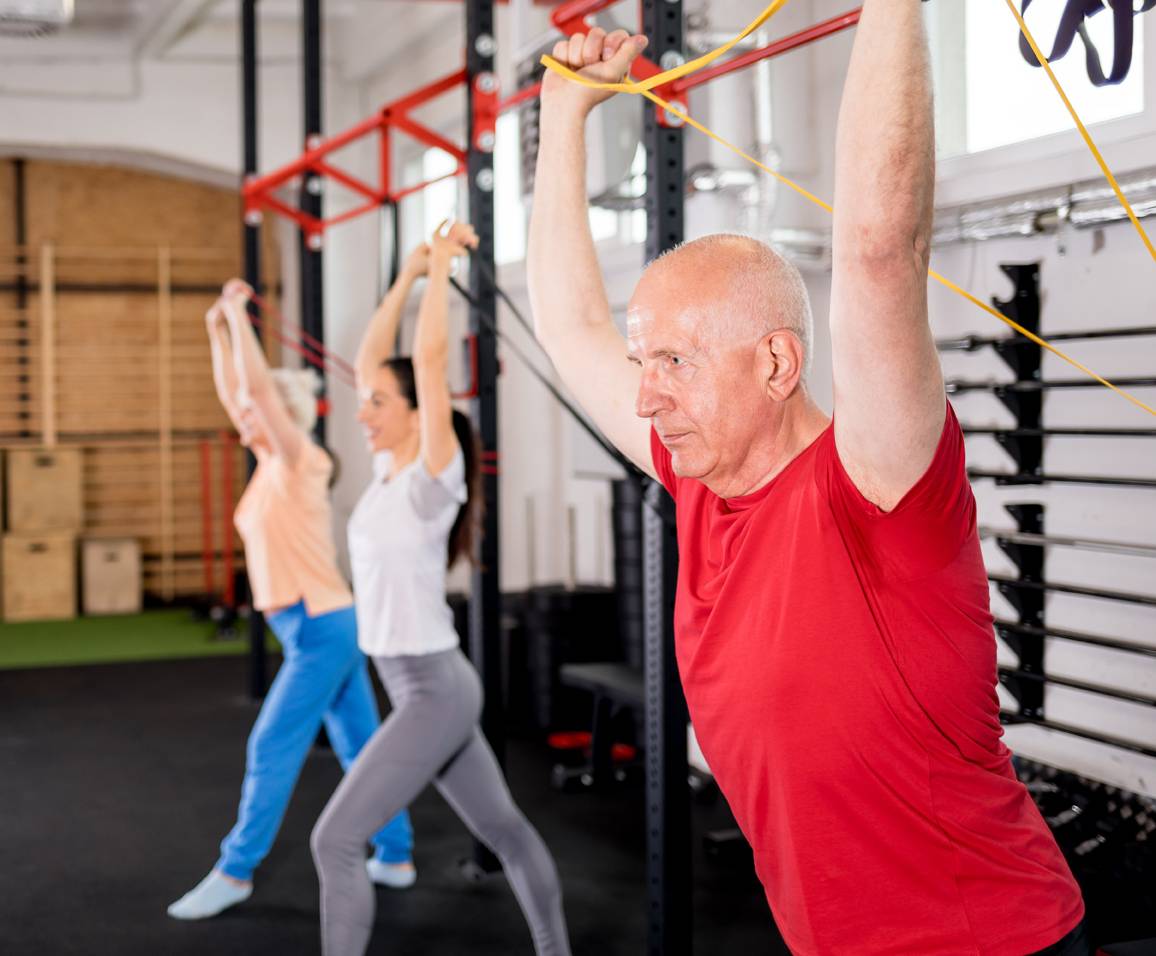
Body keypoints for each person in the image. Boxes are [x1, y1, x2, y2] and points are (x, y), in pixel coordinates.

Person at [527, 11, 1087, 956]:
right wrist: (564, 109)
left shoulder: (878, 488)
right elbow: (569, 327)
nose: (647, 391)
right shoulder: (701, 476)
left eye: (674, 359)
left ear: (777, 362)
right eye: (642, 360)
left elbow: (879, 247)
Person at [309, 223, 572, 956]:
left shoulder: (431, 480)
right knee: (505, 830)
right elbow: (374, 359)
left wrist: (445, 267)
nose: (362, 413)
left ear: (418, 418)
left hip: (433, 690)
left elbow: (425, 359)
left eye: (378, 406)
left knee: (334, 840)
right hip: (425, 684)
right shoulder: (392, 474)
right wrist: (409, 272)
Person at [167, 280, 416, 921]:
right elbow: (237, 393)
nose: (243, 416)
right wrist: (217, 329)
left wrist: (239, 320)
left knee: (271, 746)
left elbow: (251, 394)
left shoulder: (300, 460)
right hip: (313, 624)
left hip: (322, 626)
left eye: (257, 411)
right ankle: (396, 852)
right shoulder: (267, 463)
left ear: (278, 415)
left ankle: (237, 869)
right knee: (362, 746)